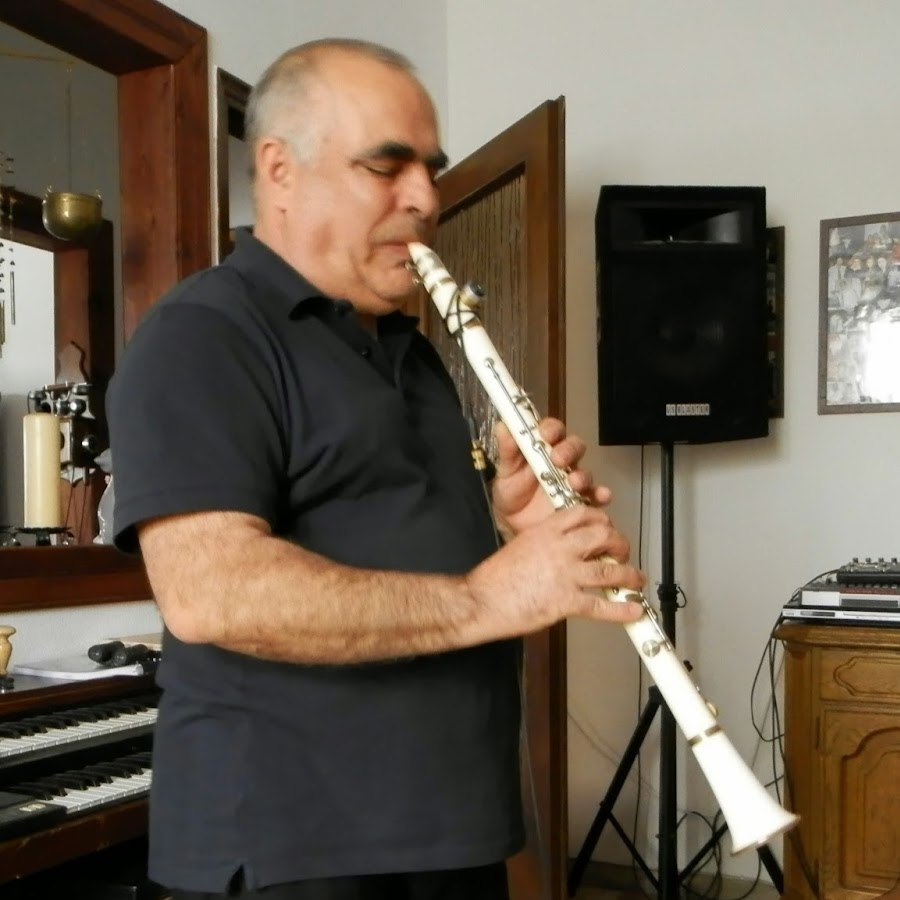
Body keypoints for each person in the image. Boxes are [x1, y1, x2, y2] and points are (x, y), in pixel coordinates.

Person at [107, 38, 645, 900]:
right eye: (385, 167)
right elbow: (214, 591)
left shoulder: (410, 349)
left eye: (429, 169)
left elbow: (384, 540)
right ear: (279, 169)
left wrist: (509, 525)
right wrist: (490, 597)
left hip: (446, 831)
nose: (426, 197)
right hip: (299, 852)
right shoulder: (203, 336)